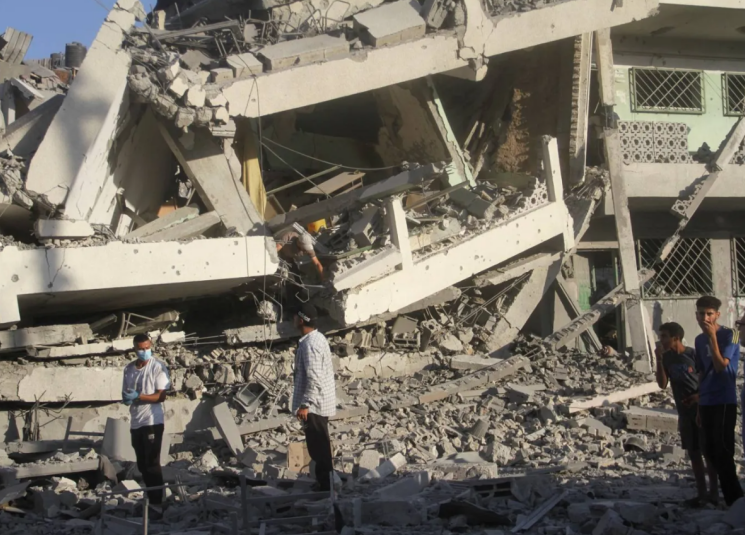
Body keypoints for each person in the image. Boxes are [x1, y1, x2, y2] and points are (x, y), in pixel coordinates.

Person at [655, 322, 717, 506]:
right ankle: (701, 493)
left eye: (664, 336)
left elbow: (708, 379)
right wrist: (658, 360)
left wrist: (699, 397)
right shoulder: (667, 358)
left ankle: (713, 494)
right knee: (693, 452)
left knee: (708, 452)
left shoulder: (692, 354)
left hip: (700, 409)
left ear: (676, 338)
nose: (661, 340)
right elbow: (662, 384)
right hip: (684, 413)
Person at [693, 296, 744, 507]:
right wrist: (699, 405)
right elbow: (701, 372)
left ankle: (735, 500)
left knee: (724, 449)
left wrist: (713, 337)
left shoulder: (731, 334)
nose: (705, 318)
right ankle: (724, 496)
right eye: (701, 314)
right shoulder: (698, 340)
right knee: (709, 449)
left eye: (709, 314)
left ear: (717, 315)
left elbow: (721, 366)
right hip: (706, 400)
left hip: (724, 399)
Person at [122, 334, 171, 514]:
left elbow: (161, 396)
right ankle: (151, 498)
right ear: (134, 349)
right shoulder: (129, 369)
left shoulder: (157, 366)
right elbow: (125, 392)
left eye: (147, 348)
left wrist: (139, 396)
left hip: (152, 420)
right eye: (141, 349)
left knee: (152, 462)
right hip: (136, 421)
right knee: (142, 464)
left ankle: (158, 503)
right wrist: (128, 398)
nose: (144, 352)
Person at [291, 304, 336, 491]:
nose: (293, 320)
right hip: (318, 402)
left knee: (318, 447)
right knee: (319, 445)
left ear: (301, 320)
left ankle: (326, 486)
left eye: (295, 317)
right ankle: (326, 482)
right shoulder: (316, 338)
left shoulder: (310, 345)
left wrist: (305, 404)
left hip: (315, 405)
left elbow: (314, 377)